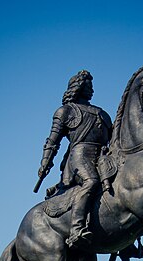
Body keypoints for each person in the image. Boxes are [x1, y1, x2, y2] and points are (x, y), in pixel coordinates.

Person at [38, 70, 112, 248]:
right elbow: (52, 142)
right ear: (77, 87)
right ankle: (76, 229)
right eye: (88, 85)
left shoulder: (101, 113)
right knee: (91, 182)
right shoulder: (65, 112)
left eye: (92, 86)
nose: (91, 89)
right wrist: (45, 163)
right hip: (79, 156)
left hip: (102, 156)